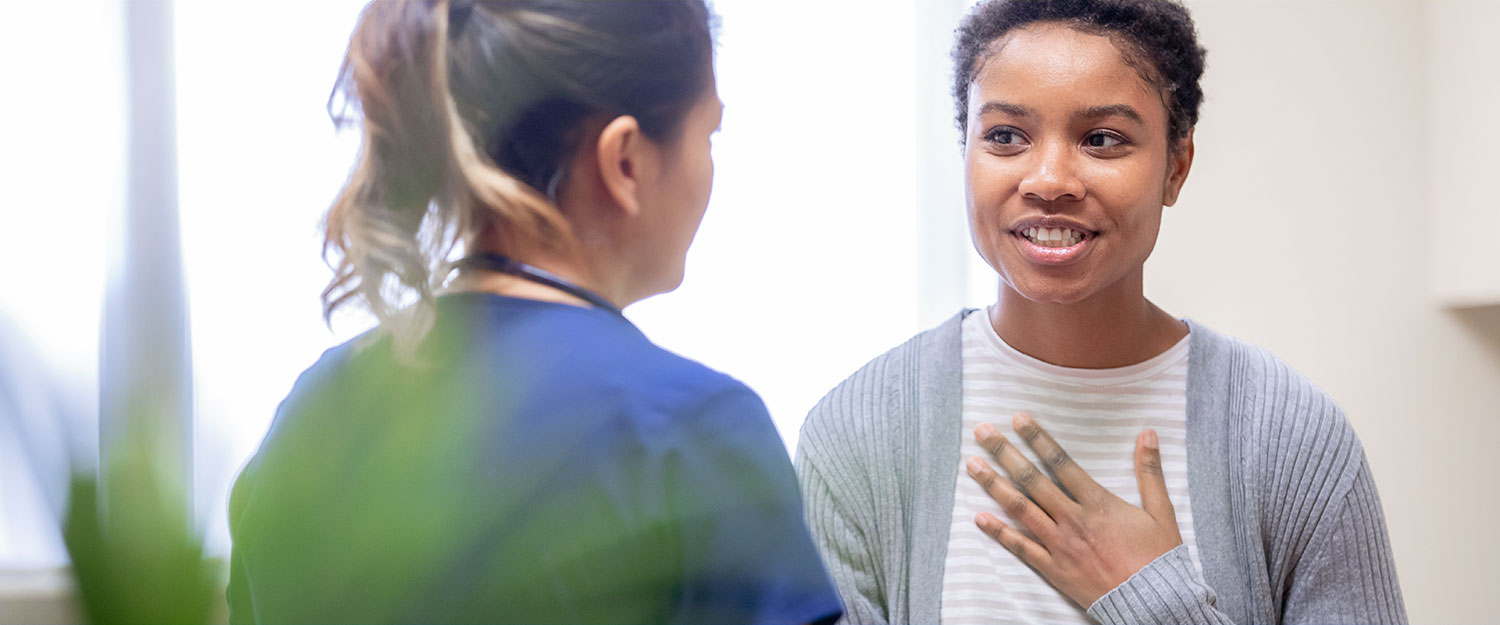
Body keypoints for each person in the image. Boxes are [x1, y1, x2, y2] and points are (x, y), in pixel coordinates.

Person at [226, 1, 843, 623]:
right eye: (708, 134)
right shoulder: (690, 432)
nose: (710, 165)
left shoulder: (313, 412)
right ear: (624, 160)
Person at [795, 1, 1405, 623]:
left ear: (1176, 165)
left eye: (1102, 139)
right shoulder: (859, 437)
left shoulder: (1290, 440)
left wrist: (1154, 599)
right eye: (1006, 136)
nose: (1050, 179)